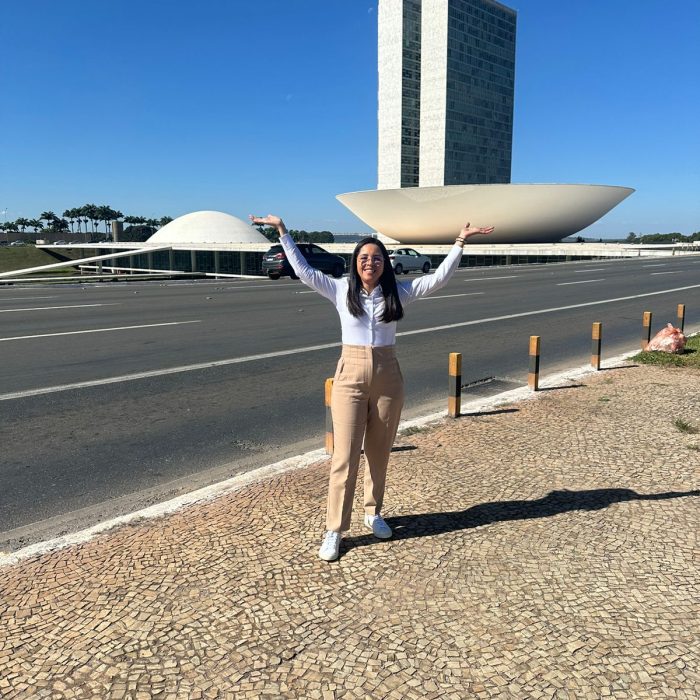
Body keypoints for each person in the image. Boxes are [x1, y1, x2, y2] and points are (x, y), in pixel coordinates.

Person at [249, 214, 494, 561]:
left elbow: (438, 279)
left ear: (385, 264)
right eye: (364, 257)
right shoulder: (339, 289)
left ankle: (372, 512)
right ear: (355, 262)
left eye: (376, 258)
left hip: (387, 375)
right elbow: (304, 270)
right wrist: (282, 231)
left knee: (379, 453)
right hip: (349, 375)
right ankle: (335, 529)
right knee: (344, 457)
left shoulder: (399, 293)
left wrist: (460, 242)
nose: (370, 263)